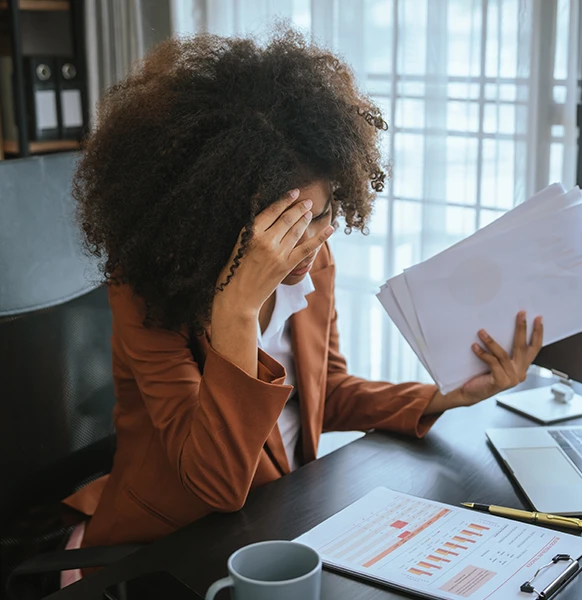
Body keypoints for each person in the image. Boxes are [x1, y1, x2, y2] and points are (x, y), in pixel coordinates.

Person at [64, 29, 544, 550]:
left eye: (328, 212)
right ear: (216, 220)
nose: (318, 241)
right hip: (171, 545)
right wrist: (238, 310)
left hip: (285, 517)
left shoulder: (316, 262)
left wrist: (443, 396)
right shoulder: (145, 295)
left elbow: (323, 394)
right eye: (291, 225)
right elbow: (216, 485)